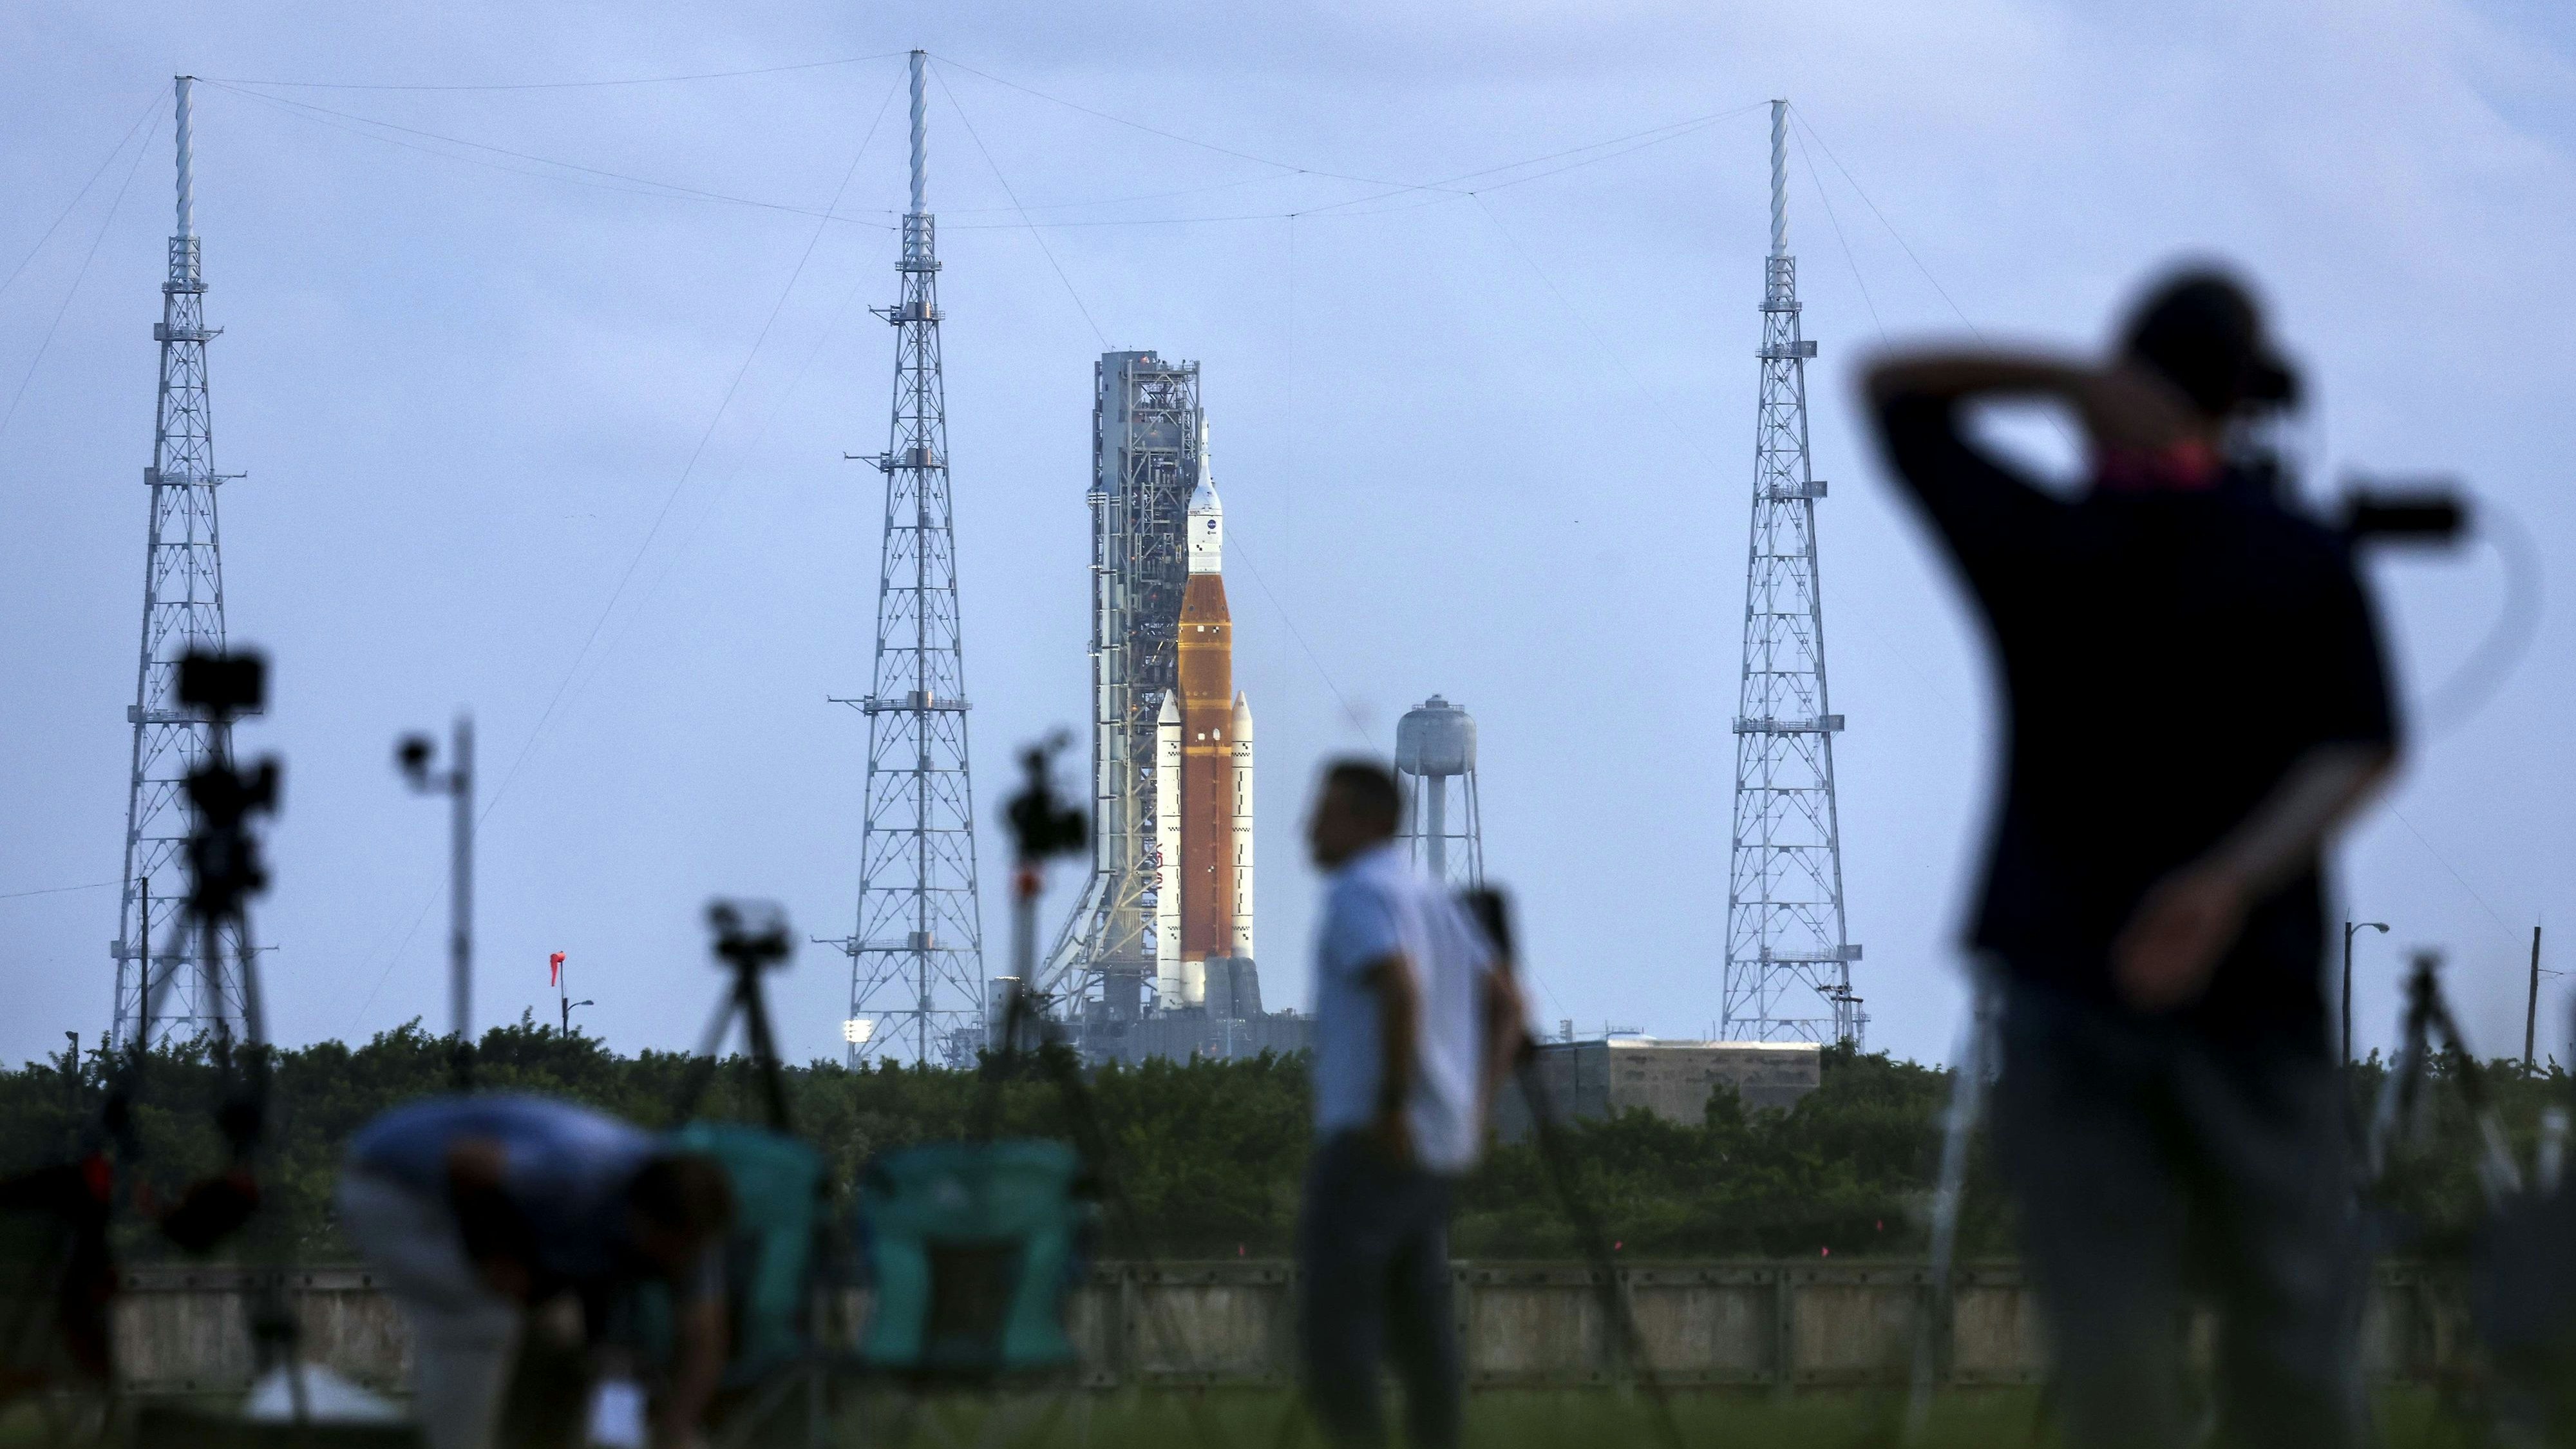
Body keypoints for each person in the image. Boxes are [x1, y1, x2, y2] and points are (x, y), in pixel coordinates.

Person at [1864, 269, 2400, 1449]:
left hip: (2064, 989)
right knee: (2294, 1336)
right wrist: (2226, 881)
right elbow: (2361, 748)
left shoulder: (2050, 543)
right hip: (2254, 998)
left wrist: (2068, 380)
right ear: (2245, 399)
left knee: (2108, 1340)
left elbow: (1890, 391)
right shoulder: (2299, 558)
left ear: (2131, 379)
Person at [1298, 759, 1521, 1449]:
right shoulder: (1431, 895)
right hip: (1433, 1151)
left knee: (1334, 1329)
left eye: (1324, 811)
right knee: (1424, 1335)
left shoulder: (1359, 893)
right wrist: (1473, 1112)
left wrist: (1391, 1106)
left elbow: (1398, 988)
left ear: (1365, 821)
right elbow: (1508, 1003)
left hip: (1372, 1141)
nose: (1308, 826)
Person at [337, 1094, 734, 1449]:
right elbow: (466, 1162)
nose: (678, 1265)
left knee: (562, 1343)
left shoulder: (692, 1234)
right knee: (480, 1321)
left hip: (501, 1216)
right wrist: (499, 1257)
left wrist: (674, 1430)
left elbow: (704, 1339)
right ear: (641, 1218)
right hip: (397, 1183)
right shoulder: (579, 1168)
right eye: (670, 1249)